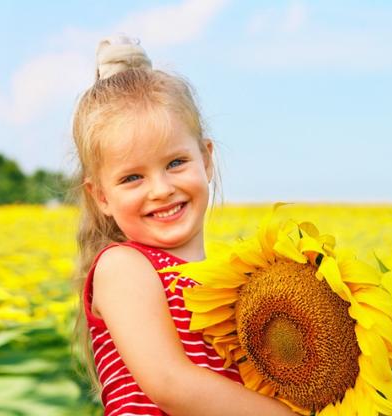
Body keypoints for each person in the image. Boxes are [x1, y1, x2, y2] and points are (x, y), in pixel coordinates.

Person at [71, 35, 295, 416]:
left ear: (206, 159)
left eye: (175, 163)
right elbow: (171, 385)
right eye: (132, 178)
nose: (161, 189)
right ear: (101, 197)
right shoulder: (123, 267)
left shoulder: (229, 282)